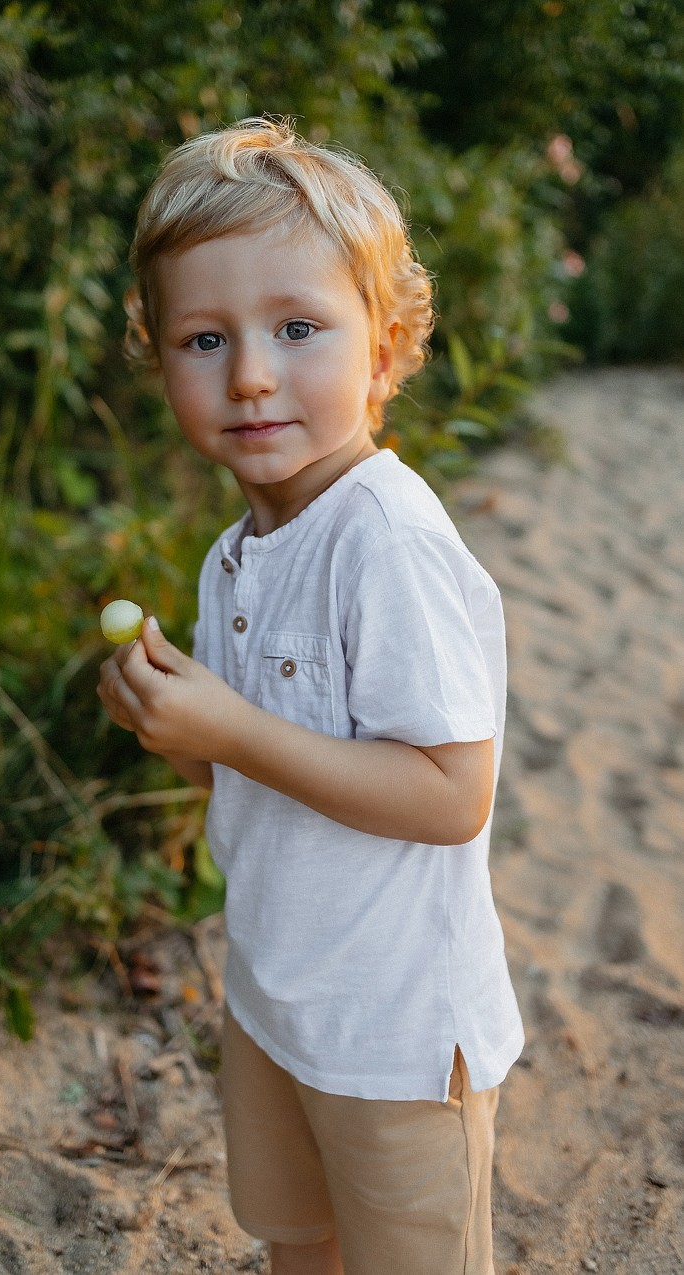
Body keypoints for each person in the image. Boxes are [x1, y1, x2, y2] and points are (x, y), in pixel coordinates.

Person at [97, 117, 524, 1275]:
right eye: (203, 338)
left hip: (391, 1027)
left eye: (298, 328)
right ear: (159, 357)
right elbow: (256, 767)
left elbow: (449, 795)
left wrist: (229, 725)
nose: (249, 374)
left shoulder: (384, 542)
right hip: (278, 997)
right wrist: (176, 727)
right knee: (299, 1239)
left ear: (384, 351)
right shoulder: (237, 552)